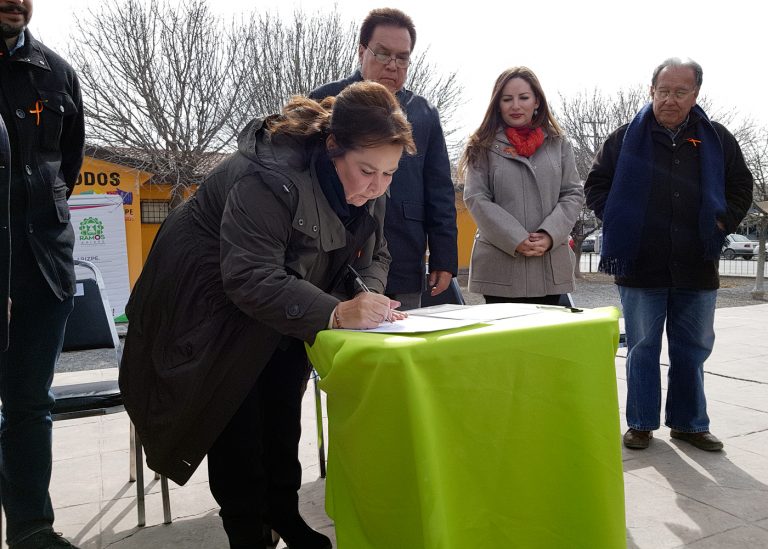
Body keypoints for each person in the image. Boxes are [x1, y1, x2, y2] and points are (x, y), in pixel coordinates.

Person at [118, 81, 414, 549]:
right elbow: (249, 277)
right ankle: (247, 532)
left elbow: (375, 255)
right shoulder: (269, 175)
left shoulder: (365, 182)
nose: (377, 186)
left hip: (285, 298)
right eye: (367, 171)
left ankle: (284, 512)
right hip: (208, 304)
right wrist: (337, 313)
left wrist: (368, 302)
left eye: (390, 174)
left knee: (281, 410)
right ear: (333, 145)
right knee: (236, 417)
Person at [584, 57, 753, 452]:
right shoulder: (625, 138)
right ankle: (641, 423)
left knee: (691, 349)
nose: (670, 99)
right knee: (642, 347)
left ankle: (689, 424)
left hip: (698, 264)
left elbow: (740, 185)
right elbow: (596, 184)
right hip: (641, 265)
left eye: (680, 92)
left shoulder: (718, 139)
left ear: (695, 94)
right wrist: (620, 217)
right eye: (663, 91)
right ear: (651, 90)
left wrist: (723, 221)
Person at [0, 0, 85, 547]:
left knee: (31, 404)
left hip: (41, 267)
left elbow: (67, 164)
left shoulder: (56, 73)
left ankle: (33, 530)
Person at [310, 7, 458, 311]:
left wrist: (444, 257)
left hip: (403, 254)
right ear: (362, 51)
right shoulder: (324, 102)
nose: (392, 65)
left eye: (402, 58)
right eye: (382, 54)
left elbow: (440, 190)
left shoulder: (424, 113)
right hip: (327, 256)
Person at [458, 67, 583, 305]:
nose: (515, 105)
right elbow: (476, 197)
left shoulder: (559, 144)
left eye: (523, 97)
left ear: (537, 101)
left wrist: (549, 234)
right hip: (500, 267)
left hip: (549, 265)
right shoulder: (481, 145)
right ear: (498, 104)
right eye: (507, 99)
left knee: (546, 341)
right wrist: (515, 238)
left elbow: (572, 193)